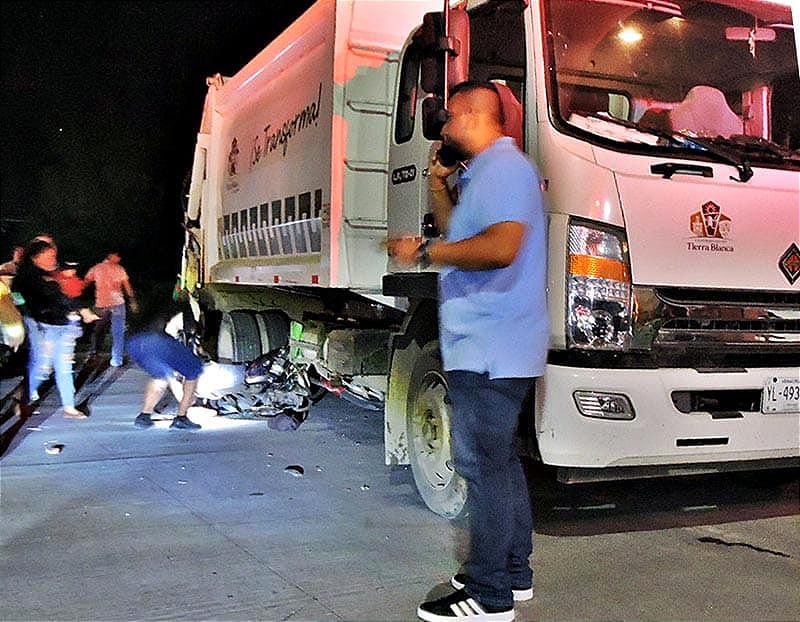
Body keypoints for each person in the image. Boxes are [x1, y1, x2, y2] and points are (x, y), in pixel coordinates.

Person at [388, 81, 549, 622]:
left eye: (448, 119)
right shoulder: (483, 174)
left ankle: (489, 594)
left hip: (491, 344)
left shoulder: (506, 169)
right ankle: (512, 574)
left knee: (482, 465)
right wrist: (439, 185)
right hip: (491, 342)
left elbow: (500, 248)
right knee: (500, 463)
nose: (443, 129)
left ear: (472, 115)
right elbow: (464, 234)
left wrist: (425, 250)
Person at [12, 238, 99, 419]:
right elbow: (24, 302)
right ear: (36, 257)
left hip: (62, 325)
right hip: (43, 327)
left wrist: (77, 311)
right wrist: (81, 309)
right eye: (50, 255)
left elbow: (62, 297)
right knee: (42, 367)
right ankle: (24, 397)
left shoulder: (51, 275)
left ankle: (69, 407)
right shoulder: (28, 277)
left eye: (54, 255)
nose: (54, 259)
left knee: (64, 365)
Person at [126, 290, 203, 430]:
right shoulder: (183, 306)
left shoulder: (149, 305)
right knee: (194, 368)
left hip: (133, 342)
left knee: (160, 376)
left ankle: (144, 416)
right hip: (155, 340)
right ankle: (181, 417)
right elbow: (190, 330)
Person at [83, 250, 138, 367]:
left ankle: (94, 353)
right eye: (118, 256)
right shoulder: (119, 269)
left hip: (102, 304)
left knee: (98, 330)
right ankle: (116, 360)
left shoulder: (96, 268)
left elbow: (85, 282)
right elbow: (127, 287)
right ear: (111, 256)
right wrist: (132, 301)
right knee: (118, 332)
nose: (119, 259)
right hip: (118, 303)